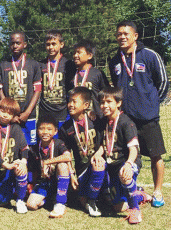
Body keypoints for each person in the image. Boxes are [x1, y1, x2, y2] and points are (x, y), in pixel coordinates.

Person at [109, 20, 169, 207]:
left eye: (126, 33)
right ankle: (130, 190)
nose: (122, 37)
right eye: (119, 34)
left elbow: (164, 82)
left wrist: (152, 105)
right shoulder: (114, 61)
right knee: (128, 156)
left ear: (135, 36)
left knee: (155, 155)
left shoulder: (149, 55)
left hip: (148, 118)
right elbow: (116, 88)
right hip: (126, 119)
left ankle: (158, 191)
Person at [97, 87, 151, 224]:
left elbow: (134, 149)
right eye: (102, 102)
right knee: (119, 207)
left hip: (128, 162)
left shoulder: (126, 122)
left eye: (109, 101)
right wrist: (97, 154)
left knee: (125, 174)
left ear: (119, 103)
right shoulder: (103, 122)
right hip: (112, 165)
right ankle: (139, 194)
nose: (105, 106)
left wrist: (128, 164)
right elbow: (105, 145)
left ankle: (135, 210)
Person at [59, 87, 105, 217]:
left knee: (117, 205)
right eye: (69, 101)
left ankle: (93, 200)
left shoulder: (96, 121)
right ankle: (89, 199)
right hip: (81, 170)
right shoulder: (65, 127)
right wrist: (72, 174)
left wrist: (98, 154)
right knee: (80, 200)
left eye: (74, 101)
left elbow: (105, 142)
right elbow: (66, 154)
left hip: (99, 165)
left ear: (86, 105)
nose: (70, 105)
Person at [0, 97, 29, 214]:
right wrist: (5, 164)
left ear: (14, 116)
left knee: (21, 167)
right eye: (3, 111)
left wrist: (23, 161)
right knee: (2, 201)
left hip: (13, 167)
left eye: (9, 113)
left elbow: (24, 148)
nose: (5, 115)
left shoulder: (16, 128)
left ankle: (20, 200)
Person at [0, 31, 42, 146]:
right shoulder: (3, 65)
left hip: (28, 116)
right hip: (10, 117)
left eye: (18, 43)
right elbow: (0, 90)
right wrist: (9, 112)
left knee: (31, 149)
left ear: (25, 44)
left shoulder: (33, 64)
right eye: (12, 43)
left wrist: (27, 112)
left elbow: (37, 90)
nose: (15, 46)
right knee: (12, 147)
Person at [27, 115, 72, 218]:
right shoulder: (34, 148)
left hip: (57, 180)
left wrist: (48, 162)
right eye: (42, 129)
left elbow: (68, 156)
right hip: (43, 182)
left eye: (49, 129)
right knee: (31, 205)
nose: (45, 132)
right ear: (37, 131)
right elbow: (33, 170)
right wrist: (32, 184)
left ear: (55, 131)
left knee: (63, 166)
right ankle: (49, 199)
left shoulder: (58, 143)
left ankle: (60, 203)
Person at [39, 30, 74, 129]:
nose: (51, 47)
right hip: (45, 112)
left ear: (61, 44)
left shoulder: (68, 64)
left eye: (54, 44)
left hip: (63, 111)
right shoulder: (40, 64)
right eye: (48, 44)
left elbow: (71, 88)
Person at [72, 39, 109, 118]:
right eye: (74, 52)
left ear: (89, 55)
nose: (75, 55)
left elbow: (106, 94)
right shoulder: (72, 75)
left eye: (79, 52)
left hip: (96, 117)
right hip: (78, 117)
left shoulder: (97, 74)